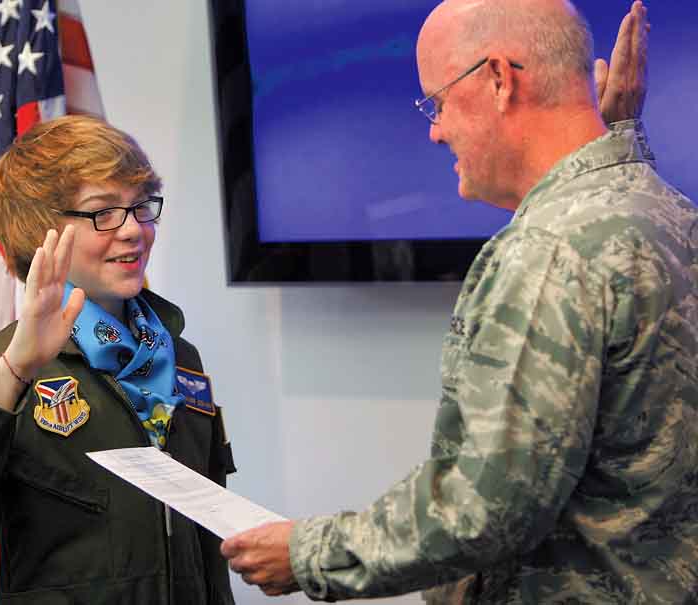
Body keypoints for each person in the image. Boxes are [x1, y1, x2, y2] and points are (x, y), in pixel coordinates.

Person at [221, 1, 698, 603]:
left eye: (438, 101)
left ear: (499, 79)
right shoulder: (667, 212)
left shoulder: (547, 251)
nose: (435, 129)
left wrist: (307, 553)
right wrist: (620, 135)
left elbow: (484, 508)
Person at [0, 115, 236, 604]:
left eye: (141, 206)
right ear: (43, 234)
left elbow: (206, 539)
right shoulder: (8, 363)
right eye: (103, 213)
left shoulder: (179, 354)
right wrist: (15, 372)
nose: (134, 231)